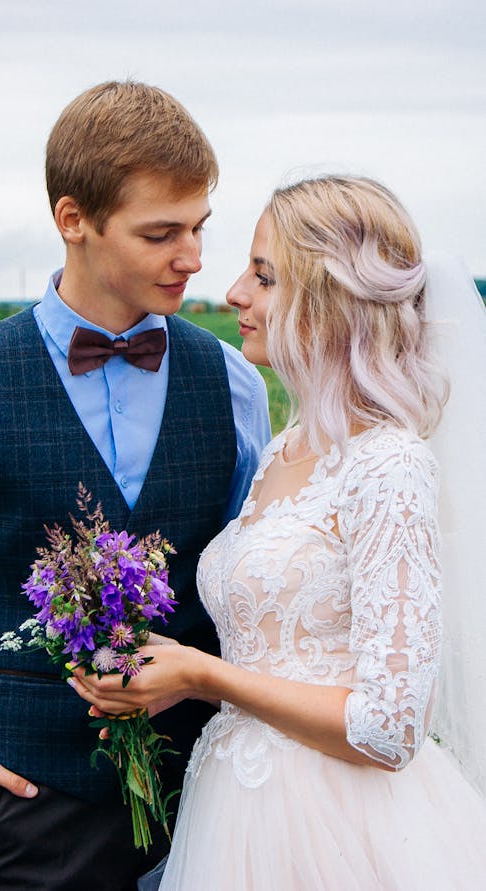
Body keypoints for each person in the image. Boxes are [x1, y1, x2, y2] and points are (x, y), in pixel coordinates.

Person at [72, 174, 486, 890]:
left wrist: (204, 675)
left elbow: (390, 727)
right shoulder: (283, 449)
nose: (233, 292)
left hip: (342, 827)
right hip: (235, 812)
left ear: (330, 300)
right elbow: (279, 643)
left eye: (264, 276)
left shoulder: (389, 465)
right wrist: (169, 666)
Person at [0, 80, 270, 891]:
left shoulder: (235, 384)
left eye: (198, 227)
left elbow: (245, 586)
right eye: (161, 233)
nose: (193, 258)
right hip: (23, 815)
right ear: (73, 219)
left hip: (209, 811)